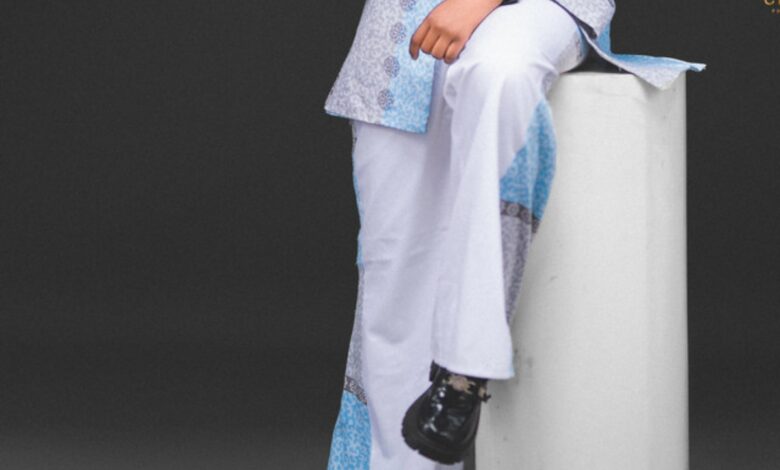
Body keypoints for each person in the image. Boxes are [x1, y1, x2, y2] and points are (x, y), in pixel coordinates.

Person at [323, 1, 705, 468]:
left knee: (499, 73)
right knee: (395, 281)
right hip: (399, 32)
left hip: (539, 8)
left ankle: (465, 372)